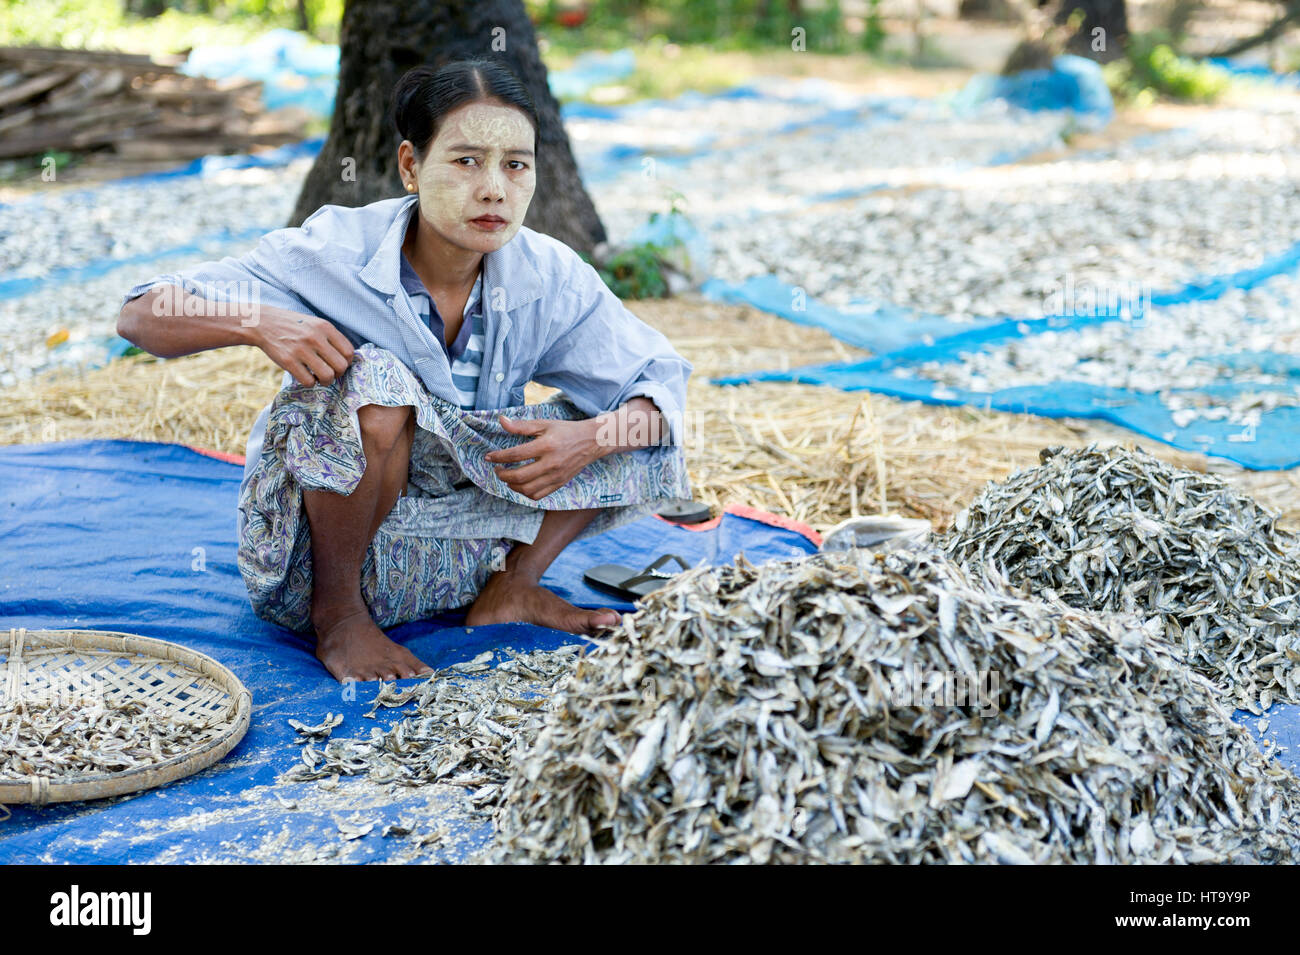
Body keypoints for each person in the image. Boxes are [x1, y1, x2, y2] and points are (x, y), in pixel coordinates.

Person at [117, 57, 692, 684]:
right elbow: (142, 314)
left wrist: (588, 439)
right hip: (318, 565)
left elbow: (660, 378)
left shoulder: (549, 275)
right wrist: (258, 322)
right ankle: (342, 620)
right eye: (466, 161)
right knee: (379, 384)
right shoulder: (332, 251)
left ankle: (514, 589)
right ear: (411, 166)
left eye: (515, 165)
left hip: (462, 559)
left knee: (636, 421)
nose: (494, 188)